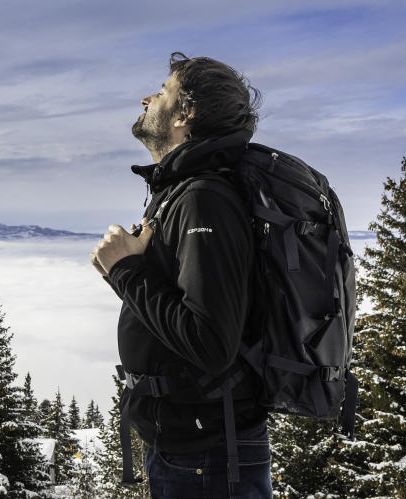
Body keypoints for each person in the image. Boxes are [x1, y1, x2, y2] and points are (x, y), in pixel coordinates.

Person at [91, 52, 271, 498]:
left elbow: (210, 343)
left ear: (184, 115)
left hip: (208, 460)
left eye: (162, 92)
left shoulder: (203, 199)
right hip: (192, 450)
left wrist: (126, 270)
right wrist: (125, 270)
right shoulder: (182, 192)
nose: (146, 99)